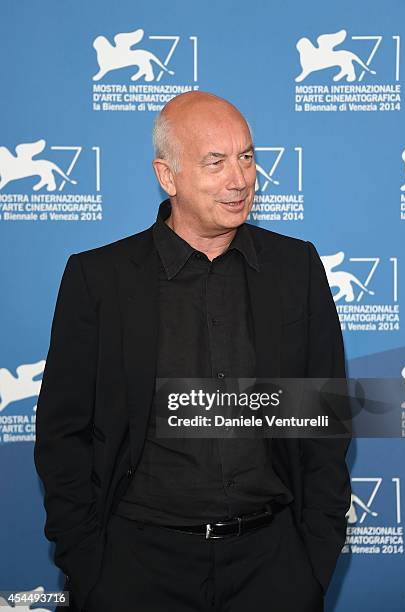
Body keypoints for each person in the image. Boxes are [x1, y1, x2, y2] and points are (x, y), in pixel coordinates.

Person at [34, 91, 351, 612]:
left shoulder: (297, 269)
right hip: (135, 569)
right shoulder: (99, 279)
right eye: (216, 162)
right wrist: (90, 564)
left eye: (247, 157)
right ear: (168, 176)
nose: (240, 179)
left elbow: (324, 422)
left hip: (273, 567)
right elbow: (62, 433)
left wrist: (312, 562)